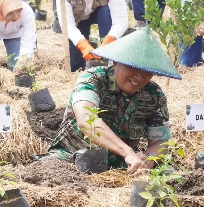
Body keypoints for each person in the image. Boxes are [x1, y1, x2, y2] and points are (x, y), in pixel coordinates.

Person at [47, 27, 181, 174]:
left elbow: (161, 142)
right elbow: (85, 119)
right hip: (72, 158)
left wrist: (148, 158)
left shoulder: (154, 94)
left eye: (147, 71)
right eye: (133, 67)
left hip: (122, 166)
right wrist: (128, 152)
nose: (140, 76)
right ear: (116, 62)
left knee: (170, 175)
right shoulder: (93, 79)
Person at [56, 0, 128, 72]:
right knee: (76, 66)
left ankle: (108, 59)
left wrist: (109, 40)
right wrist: (82, 44)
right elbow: (67, 24)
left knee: (105, 11)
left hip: (99, 12)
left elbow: (121, 21)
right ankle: (90, 45)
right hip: (78, 18)